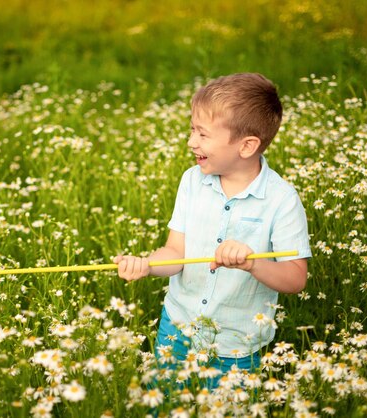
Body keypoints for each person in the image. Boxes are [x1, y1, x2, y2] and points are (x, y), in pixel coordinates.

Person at [113, 73, 312, 389]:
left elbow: (295, 278)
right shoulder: (192, 181)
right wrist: (147, 264)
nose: (191, 141)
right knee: (164, 404)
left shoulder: (281, 200)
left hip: (236, 346)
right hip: (176, 328)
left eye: (202, 134)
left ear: (246, 146)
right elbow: (176, 253)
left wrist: (253, 263)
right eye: (192, 130)